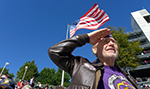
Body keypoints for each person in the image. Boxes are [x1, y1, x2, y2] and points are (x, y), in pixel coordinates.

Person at [48, 28, 139, 89]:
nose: (111, 44)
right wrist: (86, 38)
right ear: (95, 49)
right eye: (105, 42)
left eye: (113, 42)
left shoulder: (128, 77)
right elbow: (55, 52)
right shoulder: (81, 67)